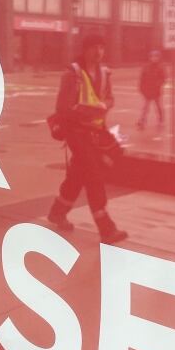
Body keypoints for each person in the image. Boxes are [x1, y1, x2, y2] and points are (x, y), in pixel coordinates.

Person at [47, 35, 128, 244]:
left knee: (78, 174)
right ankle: (106, 228)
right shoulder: (72, 74)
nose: (98, 52)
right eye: (94, 47)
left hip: (96, 131)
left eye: (101, 47)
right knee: (93, 173)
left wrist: (104, 106)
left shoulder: (104, 72)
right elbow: (61, 107)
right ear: (85, 50)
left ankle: (57, 212)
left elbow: (110, 98)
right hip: (76, 132)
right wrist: (83, 113)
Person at [137, 50, 166, 130]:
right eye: (152, 56)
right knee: (145, 107)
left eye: (156, 57)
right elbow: (142, 78)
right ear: (150, 58)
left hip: (156, 91)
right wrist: (141, 88)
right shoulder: (146, 67)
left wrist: (158, 84)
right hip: (148, 90)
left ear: (159, 58)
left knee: (158, 106)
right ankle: (142, 121)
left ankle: (160, 121)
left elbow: (163, 79)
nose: (154, 58)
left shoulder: (160, 67)